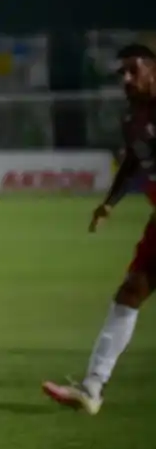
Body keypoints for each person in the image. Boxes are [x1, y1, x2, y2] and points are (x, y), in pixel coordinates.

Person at [42, 43, 156, 414]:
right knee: (130, 291)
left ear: (152, 70)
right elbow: (133, 163)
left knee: (132, 291)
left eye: (133, 70)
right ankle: (92, 388)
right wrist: (108, 203)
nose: (126, 79)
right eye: (121, 73)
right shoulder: (133, 119)